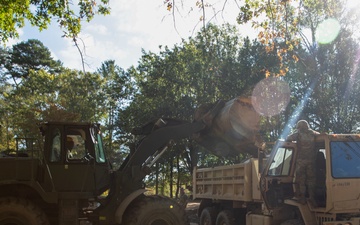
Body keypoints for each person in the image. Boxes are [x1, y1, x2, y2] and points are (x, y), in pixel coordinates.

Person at [286, 120, 320, 206]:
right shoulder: (313, 133)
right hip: (311, 161)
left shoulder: (298, 134)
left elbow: (288, 139)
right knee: (311, 180)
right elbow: (321, 136)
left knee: (301, 180)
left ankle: (302, 198)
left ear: (299, 127)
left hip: (301, 161)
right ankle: (312, 198)